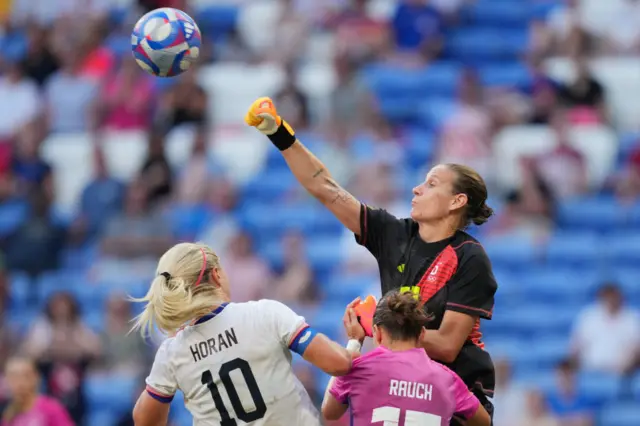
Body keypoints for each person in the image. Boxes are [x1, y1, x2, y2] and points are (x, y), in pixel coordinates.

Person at [245, 97, 499, 425]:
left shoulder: (469, 256)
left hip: (457, 394)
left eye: (431, 184)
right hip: (402, 382)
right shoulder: (392, 233)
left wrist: (380, 328)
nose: (417, 188)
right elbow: (326, 188)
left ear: (457, 201)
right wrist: (280, 134)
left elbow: (449, 346)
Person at [130, 242, 356, 426]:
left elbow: (143, 419)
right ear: (217, 275)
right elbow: (338, 364)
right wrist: (355, 340)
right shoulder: (264, 313)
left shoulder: (172, 351)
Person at [322, 291, 492, 426]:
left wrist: (354, 342)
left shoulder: (358, 369)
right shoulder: (448, 380)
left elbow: (329, 412)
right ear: (422, 334)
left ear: (378, 333)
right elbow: (484, 422)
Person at [1, 357, 74, 426]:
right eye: (13, 377)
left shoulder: (50, 409)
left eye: (25, 376)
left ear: (35, 377)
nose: (19, 383)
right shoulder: (9, 415)